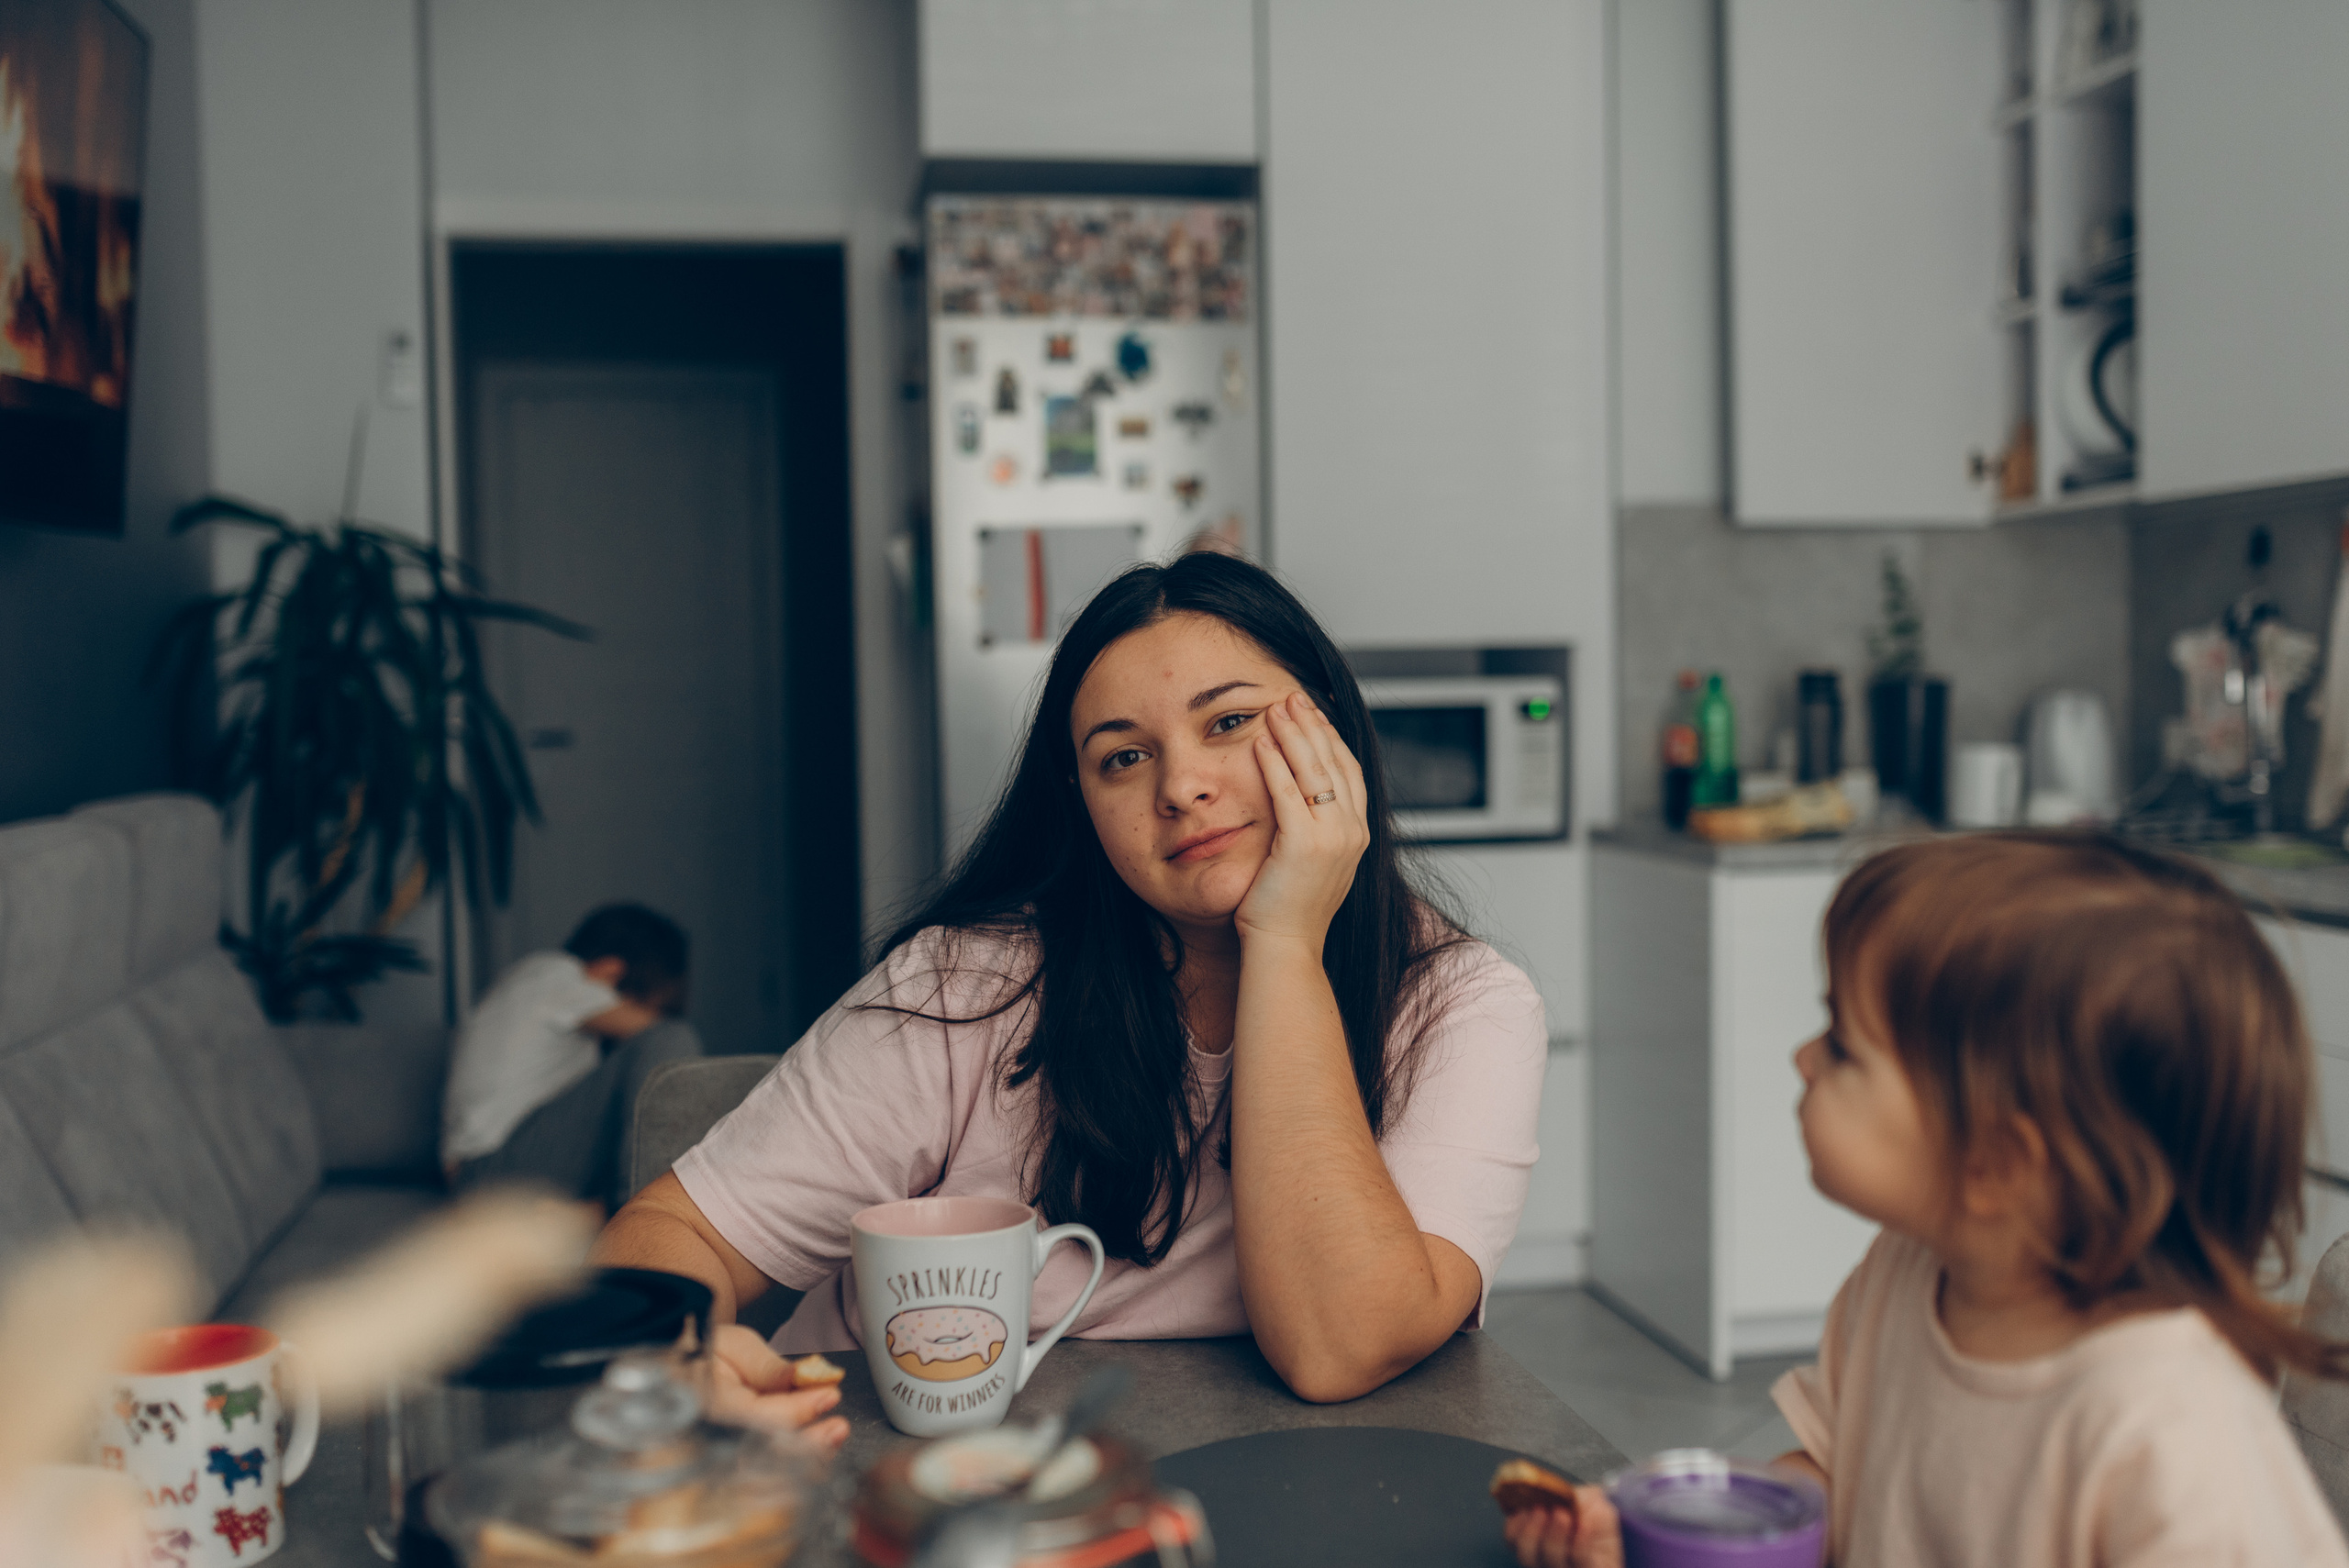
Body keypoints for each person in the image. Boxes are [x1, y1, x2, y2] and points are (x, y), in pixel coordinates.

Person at [594, 551, 1548, 1444]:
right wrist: (679, 1357)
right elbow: (670, 1234)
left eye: (1227, 722)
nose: (1181, 786)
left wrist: (1285, 941)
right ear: (1083, 799)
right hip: (908, 1470)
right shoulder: (964, 986)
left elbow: (1337, 1344)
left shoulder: (1462, 1007)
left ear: (1328, 726)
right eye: (1122, 757)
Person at [1508, 832, 2349, 1568]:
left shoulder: (2170, 1434)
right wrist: (1678, 1539)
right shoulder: (1907, 1272)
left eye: (1842, 1043)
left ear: (1996, 1161)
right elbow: (1839, 1477)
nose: (1804, 1057)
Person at [442, 903, 702, 1210]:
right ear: (610, 971)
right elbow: (651, 1030)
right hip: (490, 1173)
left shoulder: (533, 983)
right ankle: (644, 1217)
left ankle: (610, 1215)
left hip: (490, 1171)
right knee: (671, 1038)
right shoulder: (555, 974)